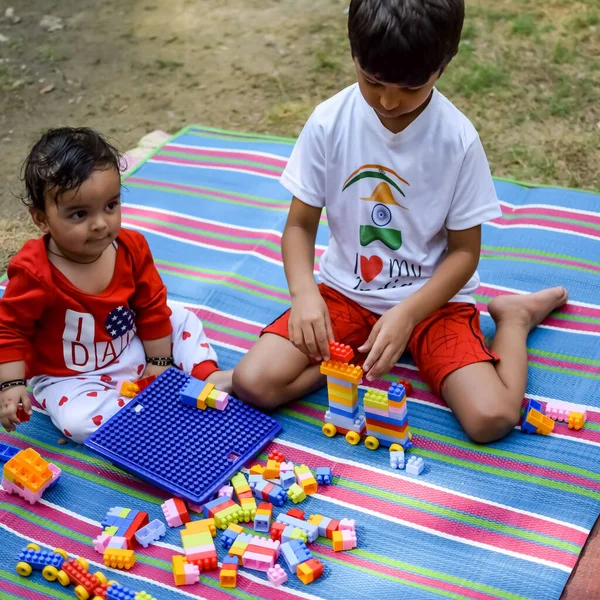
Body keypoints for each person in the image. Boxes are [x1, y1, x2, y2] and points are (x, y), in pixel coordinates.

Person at [233, 0, 567, 443]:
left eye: (411, 88)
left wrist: (408, 314)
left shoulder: (457, 140)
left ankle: (515, 318)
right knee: (252, 382)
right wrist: (305, 295)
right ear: (354, 52)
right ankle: (358, 351)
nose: (389, 101)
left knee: (492, 418)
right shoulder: (329, 122)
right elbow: (298, 226)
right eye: (372, 81)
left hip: (434, 304)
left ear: (443, 65)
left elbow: (465, 253)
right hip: (345, 297)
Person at [0, 127, 232, 443]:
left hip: (134, 344)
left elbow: (151, 306)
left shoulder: (131, 247)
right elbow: (11, 329)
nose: (100, 224)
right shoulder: (34, 272)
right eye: (79, 214)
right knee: (78, 422)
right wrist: (11, 385)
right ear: (42, 219)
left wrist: (159, 363)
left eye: (111, 205)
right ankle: (142, 414)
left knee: (180, 318)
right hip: (72, 377)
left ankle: (208, 376)